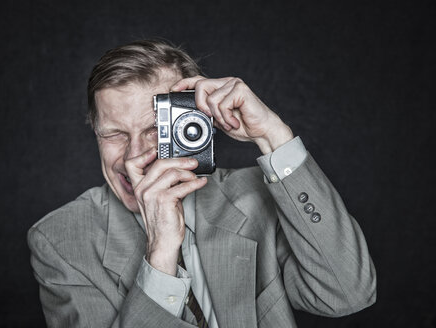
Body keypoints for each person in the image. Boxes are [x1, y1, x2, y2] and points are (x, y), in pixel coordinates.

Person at [28, 39, 376, 328]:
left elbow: (347, 294)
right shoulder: (60, 240)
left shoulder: (259, 199)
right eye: (115, 134)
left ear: (198, 122)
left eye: (155, 129)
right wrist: (161, 253)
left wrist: (274, 136)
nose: (135, 156)